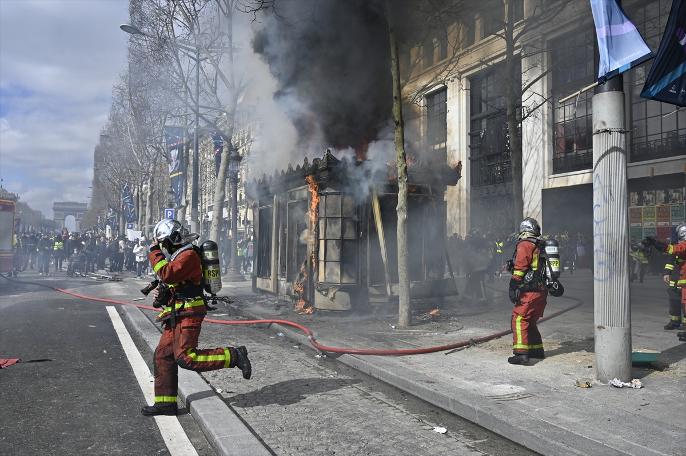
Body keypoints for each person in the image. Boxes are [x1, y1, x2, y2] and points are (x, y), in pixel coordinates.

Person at [142, 219, 252, 416]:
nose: (163, 248)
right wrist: (164, 294)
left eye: (164, 243)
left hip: (189, 313)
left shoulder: (189, 255)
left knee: (186, 358)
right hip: (177, 313)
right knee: (163, 355)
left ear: (173, 239)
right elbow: (173, 281)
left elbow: (168, 274)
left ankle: (234, 355)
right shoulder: (179, 255)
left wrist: (153, 251)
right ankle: (166, 404)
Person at [507, 218, 547, 365]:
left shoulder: (525, 244)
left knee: (519, 319)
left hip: (530, 289)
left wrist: (513, 284)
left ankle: (521, 354)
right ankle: (536, 350)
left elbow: (521, 266)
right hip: (541, 291)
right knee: (530, 320)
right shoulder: (540, 244)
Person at [645, 223, 686, 341]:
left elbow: (672, 250)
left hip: (682, 279)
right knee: (677, 300)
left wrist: (656, 243)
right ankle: (676, 322)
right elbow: (672, 257)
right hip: (679, 279)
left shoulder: (682, 245)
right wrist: (667, 272)